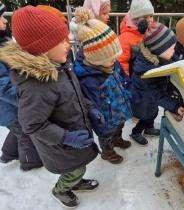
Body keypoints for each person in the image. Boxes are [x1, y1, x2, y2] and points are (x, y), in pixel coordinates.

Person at [0, 7, 101, 208]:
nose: (68, 44)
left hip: (72, 132)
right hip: (60, 144)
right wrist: (66, 137)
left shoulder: (61, 66)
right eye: (62, 41)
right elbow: (33, 125)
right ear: (44, 48)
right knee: (74, 169)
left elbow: (75, 94)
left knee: (77, 166)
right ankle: (61, 189)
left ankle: (74, 180)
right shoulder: (36, 86)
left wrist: (89, 108)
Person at [74, 8, 140, 163]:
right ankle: (107, 150)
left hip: (119, 110)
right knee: (107, 135)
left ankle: (117, 138)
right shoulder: (89, 80)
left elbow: (124, 78)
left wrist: (133, 93)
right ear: (95, 58)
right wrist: (101, 128)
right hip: (106, 119)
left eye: (115, 55)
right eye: (110, 57)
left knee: (119, 127)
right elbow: (94, 106)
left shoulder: (113, 64)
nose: (115, 59)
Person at [0, 1, 43, 171]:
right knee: (25, 133)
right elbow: (2, 88)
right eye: (0, 17)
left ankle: (8, 153)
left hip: (12, 104)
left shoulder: (3, 42)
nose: (5, 21)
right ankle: (30, 162)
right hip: (9, 104)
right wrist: (25, 101)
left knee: (17, 127)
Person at [129, 20, 184, 146]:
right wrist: (175, 106)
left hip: (149, 102)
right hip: (143, 102)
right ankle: (135, 132)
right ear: (158, 50)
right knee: (146, 118)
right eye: (171, 49)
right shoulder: (148, 72)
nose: (174, 52)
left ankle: (149, 129)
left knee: (152, 114)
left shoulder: (155, 59)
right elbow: (156, 95)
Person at [117, 0, 155, 76]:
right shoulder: (124, 39)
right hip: (135, 80)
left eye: (151, 16)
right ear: (135, 19)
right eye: (145, 17)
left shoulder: (151, 33)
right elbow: (122, 63)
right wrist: (127, 83)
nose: (149, 20)